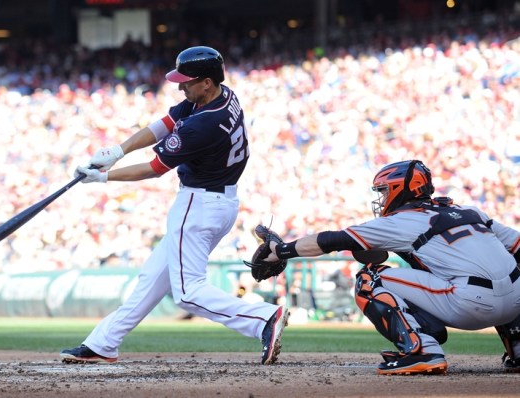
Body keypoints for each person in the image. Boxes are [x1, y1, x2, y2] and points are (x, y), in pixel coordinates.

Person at [59, 46, 289, 365]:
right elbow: (166, 122)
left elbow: (154, 168)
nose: (181, 86)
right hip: (217, 201)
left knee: (187, 293)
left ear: (206, 82)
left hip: (198, 204)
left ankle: (263, 318)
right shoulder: (222, 96)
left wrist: (103, 177)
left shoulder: (203, 124)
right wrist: (118, 150)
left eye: (187, 81)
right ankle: (103, 343)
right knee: (152, 279)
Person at [262, 160, 520, 375]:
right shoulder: (469, 211)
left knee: (369, 279)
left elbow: (330, 240)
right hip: (515, 303)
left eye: (384, 190)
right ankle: (517, 347)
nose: (382, 198)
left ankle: (422, 351)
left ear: (400, 188)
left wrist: (281, 250)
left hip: (470, 305)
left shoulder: (403, 220)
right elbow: (516, 246)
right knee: (508, 270)